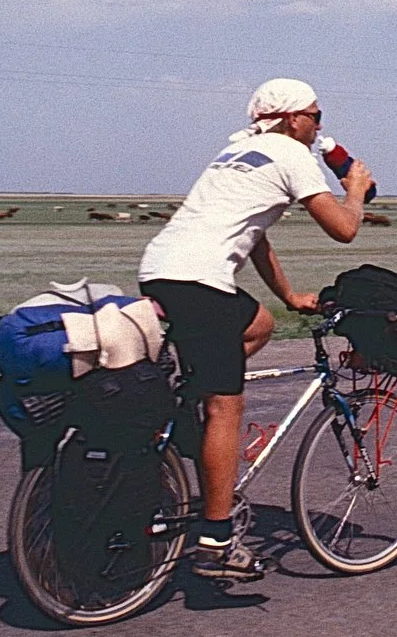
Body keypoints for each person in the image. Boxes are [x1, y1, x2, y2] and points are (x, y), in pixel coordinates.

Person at [138, 78, 375, 583]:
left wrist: (288, 298)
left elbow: (255, 236)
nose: (319, 125)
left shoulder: (237, 151)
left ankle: (189, 425)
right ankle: (217, 541)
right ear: (292, 119)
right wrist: (354, 191)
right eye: (315, 114)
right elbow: (344, 229)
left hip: (162, 269)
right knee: (227, 404)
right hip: (199, 282)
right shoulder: (292, 155)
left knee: (258, 325)